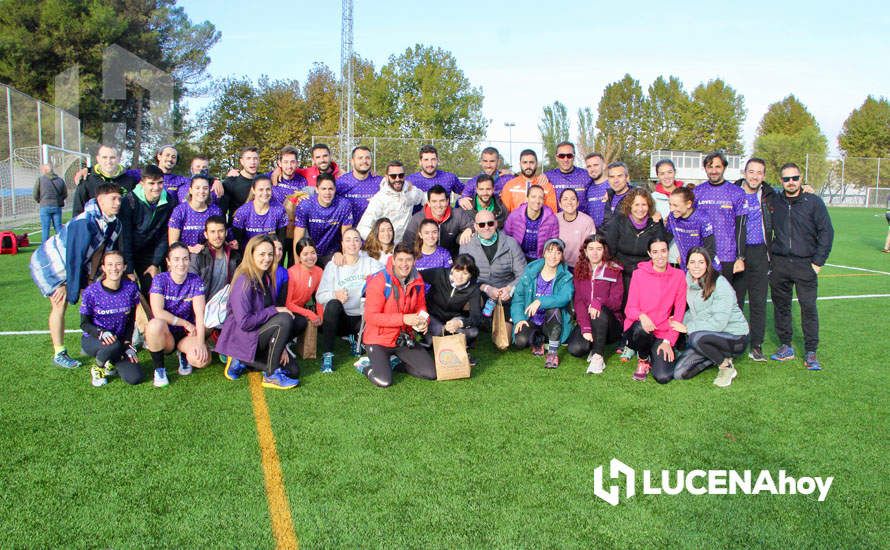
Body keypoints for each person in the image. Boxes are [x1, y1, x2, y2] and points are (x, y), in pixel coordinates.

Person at [30, 183, 123, 369]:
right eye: (113, 198)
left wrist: (91, 281)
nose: (117, 202)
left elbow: (101, 253)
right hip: (52, 265)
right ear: (100, 199)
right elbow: (73, 258)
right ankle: (59, 352)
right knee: (60, 303)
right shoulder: (84, 221)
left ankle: (92, 341)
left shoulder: (114, 223)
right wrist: (67, 285)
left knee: (96, 298)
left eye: (119, 199)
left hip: (76, 265)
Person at [767, 162, 834, 370]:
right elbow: (753, 185)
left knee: (808, 308)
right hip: (780, 263)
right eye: (786, 179)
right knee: (782, 306)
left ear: (801, 178)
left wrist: (817, 262)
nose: (791, 182)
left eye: (794, 178)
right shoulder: (775, 200)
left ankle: (811, 351)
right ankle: (786, 346)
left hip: (806, 264)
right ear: (781, 181)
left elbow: (826, 232)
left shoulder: (813, 201)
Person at [215, 235, 302, 389]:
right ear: (251, 254)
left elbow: (267, 312)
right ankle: (270, 375)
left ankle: (242, 361)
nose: (267, 258)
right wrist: (274, 310)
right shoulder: (244, 281)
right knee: (284, 319)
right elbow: (245, 323)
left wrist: (280, 346)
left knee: (293, 371)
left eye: (270, 254)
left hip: (257, 334)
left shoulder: (265, 276)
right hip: (242, 337)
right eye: (262, 254)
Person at [359, 244, 437, 387]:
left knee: (431, 373)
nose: (404, 264)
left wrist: (424, 320)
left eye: (408, 260)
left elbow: (421, 307)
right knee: (384, 381)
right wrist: (403, 319)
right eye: (400, 260)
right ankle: (365, 366)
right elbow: (371, 316)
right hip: (378, 340)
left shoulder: (417, 279)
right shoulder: (380, 280)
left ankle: (393, 363)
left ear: (414, 261)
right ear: (393, 260)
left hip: (403, 338)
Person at [671, 248, 750, 387]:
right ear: (687, 265)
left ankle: (726, 366)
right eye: (692, 262)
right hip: (709, 336)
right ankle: (715, 355)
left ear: (707, 264)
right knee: (679, 373)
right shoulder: (688, 282)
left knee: (695, 337)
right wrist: (678, 320)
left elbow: (719, 323)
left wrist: (687, 327)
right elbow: (697, 312)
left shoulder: (720, 283)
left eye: (701, 262)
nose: (696, 266)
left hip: (735, 337)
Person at [316, 229, 383, 372]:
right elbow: (319, 296)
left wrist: (374, 282)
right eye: (348, 240)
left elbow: (388, 281)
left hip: (364, 319)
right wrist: (335, 294)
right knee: (333, 304)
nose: (352, 243)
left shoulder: (370, 263)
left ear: (361, 243)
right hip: (342, 319)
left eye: (356, 239)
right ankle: (327, 354)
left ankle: (356, 338)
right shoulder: (333, 265)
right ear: (342, 244)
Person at [145, 243, 211, 387]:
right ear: (168, 262)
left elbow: (200, 314)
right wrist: (185, 323)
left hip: (187, 333)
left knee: (201, 360)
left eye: (185, 259)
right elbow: (158, 312)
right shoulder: (160, 279)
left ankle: (183, 354)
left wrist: (200, 343)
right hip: (166, 333)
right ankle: (159, 369)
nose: (181, 263)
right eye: (176, 259)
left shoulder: (195, 280)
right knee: (154, 324)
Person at [622, 238, 686, 383]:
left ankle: (656, 352)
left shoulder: (679, 276)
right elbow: (629, 309)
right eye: (655, 252)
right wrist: (642, 316)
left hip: (661, 332)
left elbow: (679, 312)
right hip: (638, 330)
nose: (660, 256)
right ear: (649, 254)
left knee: (663, 377)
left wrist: (668, 341)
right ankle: (643, 360)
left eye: (663, 251)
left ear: (668, 252)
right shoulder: (639, 274)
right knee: (641, 329)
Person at [79, 250, 143, 387]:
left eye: (118, 264)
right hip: (94, 339)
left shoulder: (131, 288)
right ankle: (98, 367)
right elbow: (84, 323)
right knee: (113, 345)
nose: (114, 268)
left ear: (125, 267)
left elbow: (131, 321)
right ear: (103, 267)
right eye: (110, 264)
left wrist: (127, 344)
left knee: (135, 378)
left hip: (119, 341)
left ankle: (111, 362)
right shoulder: (92, 292)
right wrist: (101, 333)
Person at [732, 158, 774, 361]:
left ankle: (756, 345)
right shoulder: (732, 192)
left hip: (759, 254)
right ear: (744, 172)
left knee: (758, 302)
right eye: (751, 171)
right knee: (736, 301)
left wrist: (807, 188)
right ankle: (737, 341)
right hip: (737, 253)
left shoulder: (769, 195)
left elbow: (790, 196)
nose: (755, 176)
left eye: (759, 172)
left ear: (763, 176)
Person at [459, 209, 527, 335]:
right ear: (475, 226)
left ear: (496, 224)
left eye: (490, 223)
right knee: (467, 300)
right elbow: (463, 277)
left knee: (504, 340)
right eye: (481, 224)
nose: (486, 228)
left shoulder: (511, 243)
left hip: (504, 295)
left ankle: (490, 320)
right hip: (479, 293)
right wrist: (485, 288)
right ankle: (480, 319)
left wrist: (510, 288)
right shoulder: (467, 245)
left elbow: (523, 274)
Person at [511, 238, 574, 368]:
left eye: (558, 252)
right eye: (550, 251)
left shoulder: (566, 276)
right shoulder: (530, 272)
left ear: (562, 256)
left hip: (552, 323)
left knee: (554, 309)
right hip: (532, 319)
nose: (553, 256)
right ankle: (537, 340)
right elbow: (518, 298)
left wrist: (540, 301)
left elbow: (564, 297)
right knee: (520, 341)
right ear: (544, 253)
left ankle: (552, 352)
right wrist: (519, 319)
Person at [566, 235, 624, 373]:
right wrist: (585, 327)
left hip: (610, 323)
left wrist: (598, 301)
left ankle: (598, 356)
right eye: (591, 249)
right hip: (588, 319)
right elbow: (579, 301)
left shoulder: (614, 270)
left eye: (599, 249)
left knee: (599, 311)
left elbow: (617, 302)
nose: (594, 252)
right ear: (585, 251)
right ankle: (593, 343)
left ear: (604, 250)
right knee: (576, 349)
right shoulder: (580, 269)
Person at [119, 164, 178, 296]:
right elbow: (125, 236)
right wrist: (128, 268)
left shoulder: (169, 200)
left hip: (150, 252)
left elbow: (165, 233)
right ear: (142, 183)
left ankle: (154, 316)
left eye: (160, 183)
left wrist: (155, 263)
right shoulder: (129, 201)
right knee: (128, 292)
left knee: (152, 289)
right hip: (129, 250)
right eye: (151, 183)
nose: (156, 187)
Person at [692, 152, 748, 284]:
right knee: (703, 295)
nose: (713, 171)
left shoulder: (737, 192)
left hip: (727, 255)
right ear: (705, 168)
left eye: (718, 167)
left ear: (724, 168)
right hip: (703, 255)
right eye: (710, 167)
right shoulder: (697, 192)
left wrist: (740, 257)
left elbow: (741, 226)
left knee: (724, 296)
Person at [603, 188, 667, 295]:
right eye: (636, 205)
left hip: (645, 274)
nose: (640, 209)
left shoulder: (655, 223)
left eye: (644, 204)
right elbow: (610, 250)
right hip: (621, 272)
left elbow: (658, 252)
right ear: (630, 206)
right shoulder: (619, 221)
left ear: (649, 206)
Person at [422, 255, 483, 362]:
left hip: (453, 318)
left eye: (465, 273)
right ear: (452, 268)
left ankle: (433, 341)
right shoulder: (439, 274)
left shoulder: (473, 288)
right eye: (457, 270)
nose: (459, 276)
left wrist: (459, 322)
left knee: (473, 332)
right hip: (432, 315)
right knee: (438, 329)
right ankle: (452, 344)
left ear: (470, 275)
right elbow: (417, 276)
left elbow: (477, 317)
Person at [292, 172, 354, 265]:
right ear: (317, 189)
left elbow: (347, 235)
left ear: (335, 189)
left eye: (330, 189)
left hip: (332, 253)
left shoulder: (344, 205)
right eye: (323, 189)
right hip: (310, 252)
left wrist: (342, 254)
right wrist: (298, 266)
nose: (327, 193)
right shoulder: (305, 205)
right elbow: (298, 236)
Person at [357, 161, 426, 242]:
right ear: (386, 177)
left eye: (401, 175)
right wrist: (379, 243)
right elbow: (362, 228)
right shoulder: (379, 199)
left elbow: (426, 198)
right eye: (393, 176)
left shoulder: (411, 192)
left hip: (406, 247)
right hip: (386, 249)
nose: (397, 179)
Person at [400, 185, 474, 257]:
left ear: (447, 201)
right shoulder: (417, 219)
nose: (438, 205)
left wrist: (470, 229)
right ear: (428, 203)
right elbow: (407, 243)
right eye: (434, 201)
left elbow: (478, 226)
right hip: (424, 261)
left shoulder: (458, 214)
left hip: (451, 260)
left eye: (442, 201)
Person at [72, 145, 138, 216]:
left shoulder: (130, 180)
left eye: (112, 157)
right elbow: (78, 212)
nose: (108, 161)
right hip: (95, 226)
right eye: (104, 157)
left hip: (122, 226)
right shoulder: (86, 180)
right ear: (98, 159)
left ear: (119, 159)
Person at [189, 216, 241, 303]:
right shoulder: (198, 256)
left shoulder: (235, 256)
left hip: (227, 306)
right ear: (206, 234)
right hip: (203, 306)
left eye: (221, 231)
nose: (217, 236)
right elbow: (191, 287)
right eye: (212, 232)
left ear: (226, 233)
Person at [665, 186, 718, 269]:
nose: (671, 209)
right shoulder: (672, 217)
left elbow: (710, 249)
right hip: (686, 267)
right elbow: (665, 239)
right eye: (670, 205)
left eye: (675, 205)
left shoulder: (703, 219)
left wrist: (697, 266)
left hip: (706, 268)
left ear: (688, 204)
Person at [284, 237, 324, 348]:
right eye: (305, 254)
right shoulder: (291, 273)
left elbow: (319, 297)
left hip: (300, 309)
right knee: (301, 322)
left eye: (313, 253)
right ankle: (285, 341)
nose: (310, 257)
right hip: (287, 310)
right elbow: (288, 304)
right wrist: (310, 314)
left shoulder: (319, 271)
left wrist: (320, 315)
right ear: (299, 257)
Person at [504, 185, 560, 262]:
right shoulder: (514, 216)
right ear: (527, 198)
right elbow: (507, 237)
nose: (537, 201)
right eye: (533, 197)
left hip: (540, 259)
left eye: (540, 197)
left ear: (544, 200)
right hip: (517, 257)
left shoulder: (552, 219)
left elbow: (554, 242)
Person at [167, 174, 223, 251]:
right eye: (197, 188)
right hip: (184, 255)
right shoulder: (180, 211)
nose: (201, 191)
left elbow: (218, 237)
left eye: (205, 188)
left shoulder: (215, 211)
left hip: (208, 254)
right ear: (190, 190)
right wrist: (190, 249)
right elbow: (173, 243)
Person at [231, 175, 289, 249]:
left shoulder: (279, 210)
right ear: (253, 190)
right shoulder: (243, 211)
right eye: (261, 189)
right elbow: (237, 241)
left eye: (268, 189)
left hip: (270, 256)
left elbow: (281, 240)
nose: (265, 193)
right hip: (248, 254)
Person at [336, 145, 383, 222]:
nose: (364, 161)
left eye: (367, 158)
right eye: (360, 158)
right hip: (348, 231)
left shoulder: (381, 182)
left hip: (372, 231)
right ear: (352, 161)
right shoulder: (341, 182)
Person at [556, 188, 596, 269]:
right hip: (559, 265)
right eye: (565, 199)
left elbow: (590, 247)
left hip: (580, 266)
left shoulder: (587, 221)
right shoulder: (554, 219)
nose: (569, 202)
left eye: (573, 199)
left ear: (577, 203)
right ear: (559, 204)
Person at [220, 146, 260, 224]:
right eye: (248, 158)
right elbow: (222, 212)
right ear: (242, 161)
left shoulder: (264, 180)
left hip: (259, 231)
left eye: (255, 158)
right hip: (236, 231)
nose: (252, 162)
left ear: (259, 161)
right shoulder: (230, 182)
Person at [545, 141, 590, 208]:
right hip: (556, 218)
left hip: (581, 217)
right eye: (561, 156)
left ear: (574, 157)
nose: (565, 159)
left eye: (569, 156)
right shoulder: (547, 176)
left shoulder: (586, 175)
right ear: (556, 158)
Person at [34, 163, 67, 243]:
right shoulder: (60, 180)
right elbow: (65, 194)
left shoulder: (40, 179)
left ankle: (44, 247)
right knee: (58, 227)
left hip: (45, 206)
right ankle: (61, 244)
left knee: (45, 228)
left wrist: (39, 200)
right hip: (56, 206)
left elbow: (35, 193)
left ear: (45, 170)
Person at [583, 152, 611, 227]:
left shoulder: (613, 185)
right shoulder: (587, 188)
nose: (592, 169)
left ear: (604, 166)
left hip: (613, 233)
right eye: (589, 166)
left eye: (596, 165)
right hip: (594, 234)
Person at [602, 162, 634, 226]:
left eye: (619, 176)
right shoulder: (609, 197)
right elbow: (607, 224)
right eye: (612, 177)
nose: (616, 180)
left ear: (627, 178)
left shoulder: (636, 197)